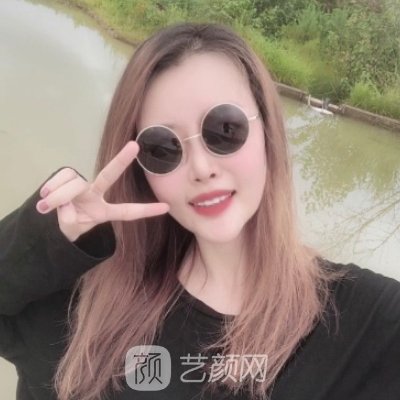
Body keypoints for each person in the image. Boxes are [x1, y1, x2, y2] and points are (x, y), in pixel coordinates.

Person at [1, 23, 399, 400]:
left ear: (268, 131)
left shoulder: (371, 324)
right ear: (140, 170)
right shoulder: (83, 302)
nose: (201, 168)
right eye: (162, 147)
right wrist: (45, 238)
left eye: (225, 129)